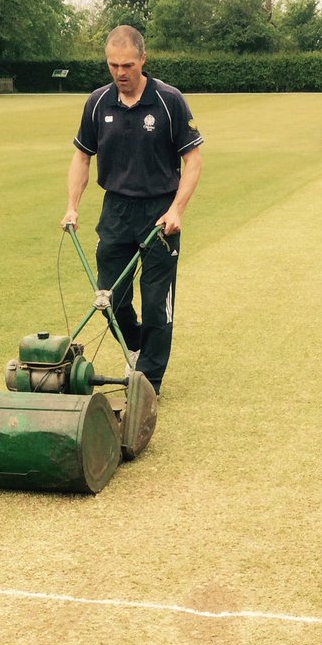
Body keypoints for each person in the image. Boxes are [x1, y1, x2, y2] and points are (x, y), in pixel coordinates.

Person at [62, 25, 203, 396]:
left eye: (127, 65)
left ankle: (147, 384)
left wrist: (177, 210)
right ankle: (140, 344)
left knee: (157, 304)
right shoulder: (97, 103)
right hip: (116, 213)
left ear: (143, 59)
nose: (120, 73)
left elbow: (194, 161)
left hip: (160, 214)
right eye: (113, 65)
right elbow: (82, 157)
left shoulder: (169, 102)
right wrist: (72, 208)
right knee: (110, 299)